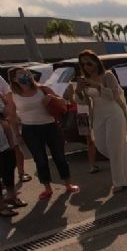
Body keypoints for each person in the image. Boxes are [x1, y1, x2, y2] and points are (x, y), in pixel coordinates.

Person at [8, 67, 79, 199]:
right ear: (14, 79)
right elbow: (12, 116)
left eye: (27, 73)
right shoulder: (13, 95)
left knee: (59, 156)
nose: (26, 76)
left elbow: (63, 103)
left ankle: (68, 184)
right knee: (40, 159)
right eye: (21, 74)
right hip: (30, 130)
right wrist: (16, 135)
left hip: (50, 126)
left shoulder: (42, 89)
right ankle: (47, 188)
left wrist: (52, 98)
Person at [77, 51, 127, 193]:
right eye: (83, 64)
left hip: (113, 112)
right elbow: (84, 102)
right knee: (101, 145)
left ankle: (120, 182)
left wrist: (97, 85)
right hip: (98, 114)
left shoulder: (107, 75)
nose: (87, 66)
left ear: (96, 61)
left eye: (89, 63)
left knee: (114, 146)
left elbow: (113, 95)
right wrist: (79, 91)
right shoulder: (84, 79)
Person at [63, 69, 99, 174]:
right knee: (90, 141)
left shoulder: (93, 82)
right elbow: (73, 101)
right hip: (82, 114)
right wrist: (79, 90)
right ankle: (92, 165)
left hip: (96, 112)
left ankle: (103, 159)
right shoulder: (72, 86)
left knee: (100, 137)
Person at [0, 76, 31, 184]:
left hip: (4, 118)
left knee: (15, 146)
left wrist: (10, 114)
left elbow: (8, 95)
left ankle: (21, 173)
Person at [0, 117, 24, 217]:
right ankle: (1, 206)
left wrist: (11, 142)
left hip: (4, 145)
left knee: (9, 170)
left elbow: (4, 121)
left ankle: (11, 197)